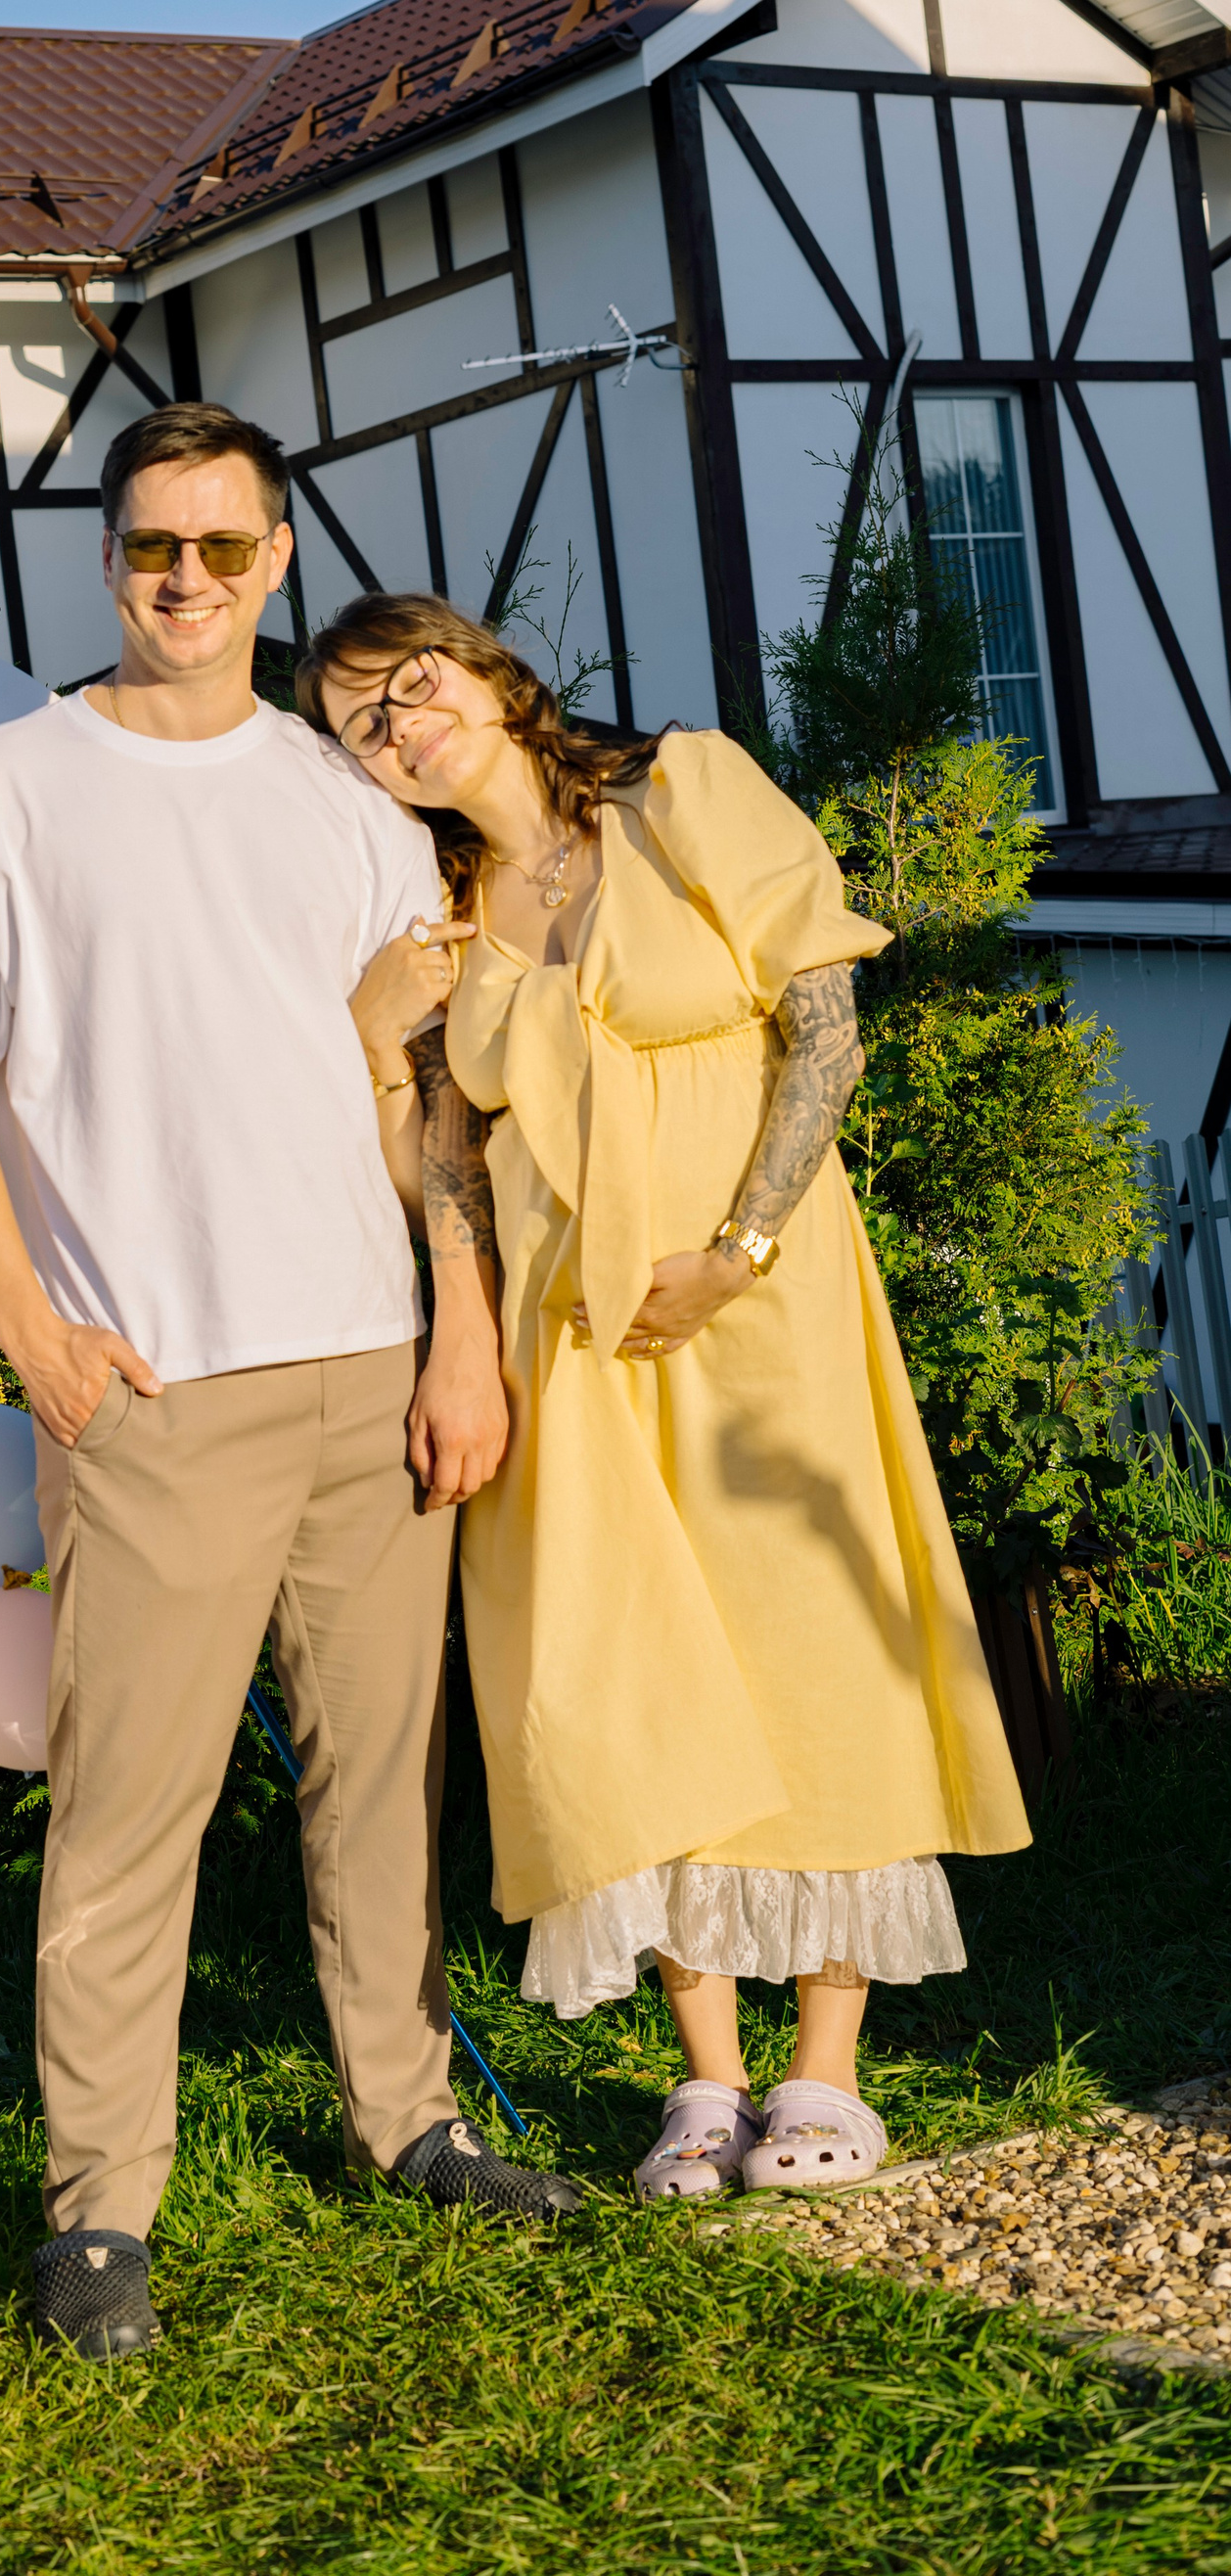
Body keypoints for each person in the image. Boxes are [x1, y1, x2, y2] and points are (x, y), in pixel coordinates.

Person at [0, 409, 578, 2362]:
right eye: (152, 546)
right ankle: (100, 2217)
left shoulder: (343, 798)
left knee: (382, 1783)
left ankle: (408, 2120)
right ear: (108, 559)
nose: (187, 579)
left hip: (368, 1366)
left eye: (225, 548)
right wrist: (33, 1332)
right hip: (154, 1383)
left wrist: (459, 1330)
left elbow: (424, 1086)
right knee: (128, 1812)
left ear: (277, 561)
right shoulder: (15, 785)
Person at [300, 595, 1031, 2202]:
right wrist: (376, 1050)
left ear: (486, 674)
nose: (403, 725)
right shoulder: (440, 917)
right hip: (569, 1337)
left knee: (810, 1647)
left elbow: (824, 1031)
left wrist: (737, 1249)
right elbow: (448, 1173)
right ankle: (707, 2079)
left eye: (413, 684)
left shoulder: (678, 792)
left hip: (762, 1298)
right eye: (364, 723)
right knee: (631, 1670)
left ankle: (826, 2073)